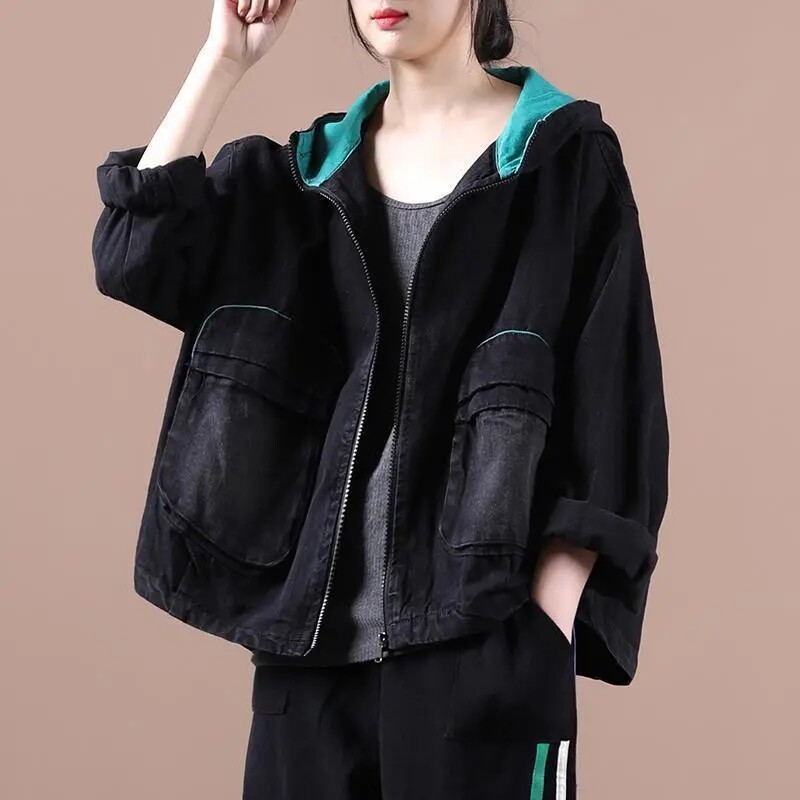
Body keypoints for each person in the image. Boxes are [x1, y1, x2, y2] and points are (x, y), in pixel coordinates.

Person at [91, 1, 670, 797]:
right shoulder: (305, 178)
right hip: (308, 668)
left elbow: (617, 414)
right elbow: (135, 258)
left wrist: (542, 629)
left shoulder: (562, 162)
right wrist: (223, 60)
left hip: (482, 649)